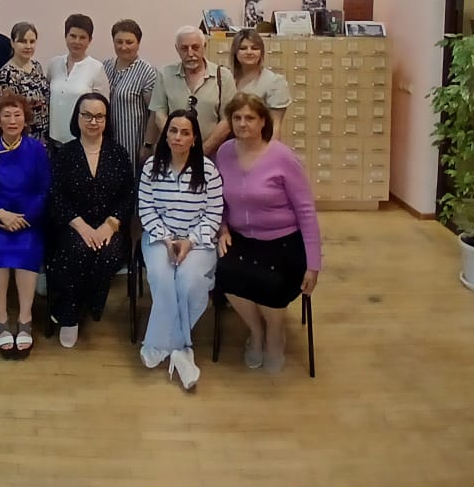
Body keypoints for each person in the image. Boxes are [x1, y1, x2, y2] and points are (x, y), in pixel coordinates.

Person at [215, 93, 321, 374]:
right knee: (224, 273)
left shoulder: (282, 157)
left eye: (250, 118)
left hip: (283, 240)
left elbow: (306, 211)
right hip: (241, 237)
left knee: (273, 284)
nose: (242, 123)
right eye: (237, 117)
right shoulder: (224, 153)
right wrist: (223, 228)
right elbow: (218, 200)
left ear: (263, 121)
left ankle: (275, 334)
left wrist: (314, 264)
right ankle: (256, 331)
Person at [137, 109, 223, 391]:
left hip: (197, 241)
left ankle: (162, 343)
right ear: (165, 135)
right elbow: (146, 209)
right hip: (159, 238)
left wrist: (190, 241)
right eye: (173, 131)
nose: (178, 137)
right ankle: (182, 350)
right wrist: (166, 239)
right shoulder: (152, 167)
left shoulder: (208, 170)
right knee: (162, 279)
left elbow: (213, 214)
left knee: (189, 282)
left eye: (185, 132)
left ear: (194, 139)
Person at [46, 93, 133, 348]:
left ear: (106, 120)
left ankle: (79, 306)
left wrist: (110, 225)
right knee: (77, 250)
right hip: (73, 225)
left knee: (107, 255)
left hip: (110, 227)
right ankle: (71, 316)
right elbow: (56, 195)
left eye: (99, 116)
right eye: (87, 115)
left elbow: (128, 195)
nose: (93, 121)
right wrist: (81, 226)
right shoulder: (65, 153)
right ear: (77, 117)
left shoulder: (118, 153)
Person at [0, 93, 51, 357]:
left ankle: (25, 318)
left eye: (17, 115)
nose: (12, 120)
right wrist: (0, 214)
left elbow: (44, 189)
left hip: (28, 220)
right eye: (7, 115)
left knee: (28, 247)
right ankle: (1, 317)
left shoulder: (37, 149)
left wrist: (25, 217)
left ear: (25, 119)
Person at [143, 26, 234, 161]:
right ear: (177, 49)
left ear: (204, 46)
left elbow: (227, 120)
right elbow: (159, 114)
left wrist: (202, 152)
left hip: (212, 157)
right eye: (184, 48)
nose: (190, 53)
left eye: (195, 47)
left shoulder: (223, 76)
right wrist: (176, 144)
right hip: (174, 156)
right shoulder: (165, 74)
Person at [204, 28, 292, 149]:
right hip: (226, 146)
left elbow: (275, 127)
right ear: (235, 52)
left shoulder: (274, 82)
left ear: (262, 52)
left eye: (255, 48)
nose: (249, 52)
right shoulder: (225, 78)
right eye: (243, 48)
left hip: (257, 147)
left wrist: (270, 154)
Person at [46, 14, 110, 149]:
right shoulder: (54, 64)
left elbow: (103, 108)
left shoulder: (96, 68)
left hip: (81, 142)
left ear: (90, 40)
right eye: (73, 36)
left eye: (82, 38)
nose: (77, 41)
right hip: (54, 140)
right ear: (66, 36)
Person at [103, 19, 158, 167]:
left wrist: (148, 144)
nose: (123, 47)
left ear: (138, 44)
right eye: (119, 42)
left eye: (129, 42)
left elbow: (154, 111)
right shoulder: (105, 66)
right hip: (106, 141)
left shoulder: (147, 72)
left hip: (133, 143)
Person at [0, 21, 50, 142]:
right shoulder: (6, 74)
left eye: (32, 41)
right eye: (23, 41)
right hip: (22, 138)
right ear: (12, 43)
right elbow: (6, 112)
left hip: (43, 135)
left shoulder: (37, 66)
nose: (28, 46)